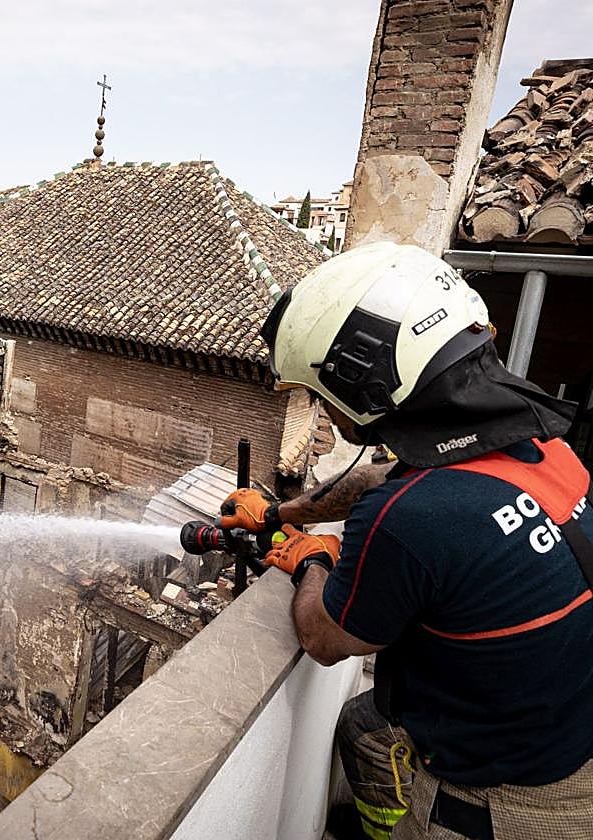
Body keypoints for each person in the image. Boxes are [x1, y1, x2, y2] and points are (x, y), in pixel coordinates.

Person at [218, 242, 593, 840]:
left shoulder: (408, 518)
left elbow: (323, 638)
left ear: (361, 380)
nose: (322, 409)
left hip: (507, 800)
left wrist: (310, 559)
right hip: (568, 724)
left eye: (320, 393)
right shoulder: (542, 447)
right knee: (364, 726)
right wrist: (280, 514)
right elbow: (389, 479)